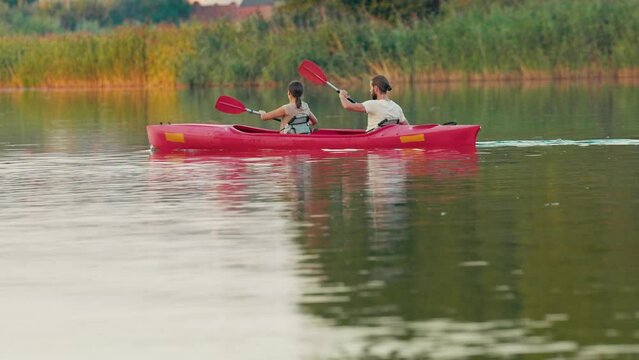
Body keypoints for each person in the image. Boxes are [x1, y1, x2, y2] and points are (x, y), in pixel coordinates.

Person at [338, 75, 408, 132]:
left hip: (371, 139)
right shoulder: (396, 107)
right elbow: (407, 128)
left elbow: (347, 106)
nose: (370, 90)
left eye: (371, 88)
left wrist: (341, 95)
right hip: (387, 139)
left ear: (376, 88)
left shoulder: (373, 104)